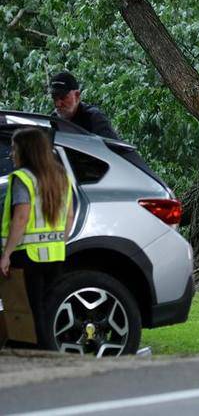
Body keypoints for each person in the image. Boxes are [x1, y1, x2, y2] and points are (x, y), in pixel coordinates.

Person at [0, 128, 74, 344]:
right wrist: (60, 241)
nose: (12, 154)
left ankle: (42, 354)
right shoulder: (61, 176)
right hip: (56, 255)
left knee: (32, 312)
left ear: (27, 151)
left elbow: (21, 217)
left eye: (15, 149)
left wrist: (6, 254)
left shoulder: (23, 178)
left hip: (28, 256)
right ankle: (50, 350)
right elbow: (69, 215)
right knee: (48, 309)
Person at [49, 71, 120, 140]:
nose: (58, 104)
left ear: (77, 95)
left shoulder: (93, 118)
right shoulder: (54, 120)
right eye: (54, 98)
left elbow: (114, 149)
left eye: (63, 98)